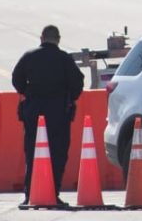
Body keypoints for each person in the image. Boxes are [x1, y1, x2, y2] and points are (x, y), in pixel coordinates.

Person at [12, 25, 84, 206]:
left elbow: (16, 79)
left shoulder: (29, 57)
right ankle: (53, 193)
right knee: (57, 153)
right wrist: (68, 97)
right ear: (58, 39)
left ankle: (30, 194)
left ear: (41, 38)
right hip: (58, 112)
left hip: (33, 111)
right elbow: (78, 83)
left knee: (32, 152)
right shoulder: (64, 59)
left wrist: (28, 92)